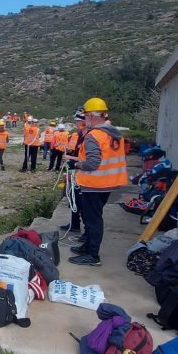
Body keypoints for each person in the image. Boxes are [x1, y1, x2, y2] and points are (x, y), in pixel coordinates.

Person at [64, 97, 128, 266]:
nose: (84, 120)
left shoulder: (94, 136)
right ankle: (87, 247)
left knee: (93, 220)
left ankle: (92, 255)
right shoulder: (114, 134)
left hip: (95, 184)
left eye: (85, 116)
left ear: (92, 116)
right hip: (107, 183)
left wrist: (75, 163)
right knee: (92, 218)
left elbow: (92, 163)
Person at [61, 110, 87, 234]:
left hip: (83, 175)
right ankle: (74, 224)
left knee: (81, 202)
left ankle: (84, 231)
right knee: (74, 199)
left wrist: (70, 159)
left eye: (77, 122)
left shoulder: (87, 137)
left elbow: (85, 159)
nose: (75, 124)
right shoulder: (80, 136)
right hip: (77, 173)